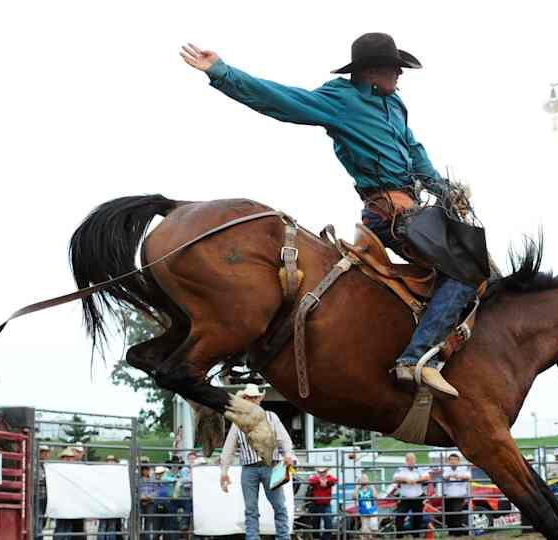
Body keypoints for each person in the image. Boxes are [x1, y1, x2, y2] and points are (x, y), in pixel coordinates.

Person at [180, 33, 481, 400]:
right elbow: (282, 100)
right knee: (467, 271)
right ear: (372, 72)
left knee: (476, 259)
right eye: (394, 69)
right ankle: (416, 357)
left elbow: (414, 150)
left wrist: (444, 187)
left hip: (413, 208)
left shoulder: (395, 105)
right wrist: (222, 72)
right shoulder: (341, 100)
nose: (400, 76)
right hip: (387, 213)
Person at [219, 384, 294, 540]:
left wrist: (288, 455)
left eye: (255, 397)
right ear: (244, 399)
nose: (252, 400)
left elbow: (284, 439)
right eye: (249, 397)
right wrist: (224, 471)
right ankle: (253, 537)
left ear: (260, 399)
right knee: (251, 509)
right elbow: (229, 448)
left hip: (272, 466)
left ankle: (283, 537)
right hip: (249, 468)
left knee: (279, 505)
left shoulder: (271, 417)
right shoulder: (237, 421)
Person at [393, 453, 430, 538]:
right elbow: (395, 478)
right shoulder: (401, 469)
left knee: (417, 517)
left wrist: (416, 480)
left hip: (418, 496)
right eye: (409, 459)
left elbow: (427, 477)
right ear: (406, 461)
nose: (411, 461)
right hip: (405, 497)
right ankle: (399, 536)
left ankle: (416, 535)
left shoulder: (419, 468)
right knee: (399, 516)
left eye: (413, 459)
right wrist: (406, 479)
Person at [53, 447, 85, 538]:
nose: (69, 459)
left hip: (74, 503)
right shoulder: (56, 470)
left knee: (68, 528)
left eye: (71, 457)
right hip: (62, 503)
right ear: (62, 458)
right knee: (61, 527)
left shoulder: (76, 469)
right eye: (66, 457)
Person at [441, 453, 471, 536]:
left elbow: (468, 476)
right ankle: (452, 532)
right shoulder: (446, 469)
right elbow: (444, 477)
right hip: (447, 495)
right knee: (448, 514)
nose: (453, 462)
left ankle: (458, 533)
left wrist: (458, 476)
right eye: (451, 460)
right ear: (449, 461)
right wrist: (451, 476)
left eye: (455, 460)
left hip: (459, 495)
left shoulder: (463, 468)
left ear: (458, 461)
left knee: (456, 513)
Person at [96, 455, 123, 540]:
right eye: (109, 461)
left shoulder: (118, 476)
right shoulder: (101, 475)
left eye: (112, 462)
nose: (110, 463)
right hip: (104, 503)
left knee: (111, 526)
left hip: (113, 504)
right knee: (103, 526)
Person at [308, 466, 338, 540]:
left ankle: (325, 538)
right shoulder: (315, 478)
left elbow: (334, 480)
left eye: (323, 472)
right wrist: (320, 480)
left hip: (326, 505)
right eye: (320, 472)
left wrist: (326, 481)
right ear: (318, 472)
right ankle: (317, 538)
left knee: (328, 524)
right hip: (316, 505)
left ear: (326, 472)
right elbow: (310, 481)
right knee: (315, 524)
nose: (322, 473)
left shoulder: (330, 478)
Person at [355, 473, 379, 540]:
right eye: (362, 478)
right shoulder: (359, 490)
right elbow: (355, 497)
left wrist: (372, 486)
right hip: (363, 512)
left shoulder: (370, 488)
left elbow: (376, 496)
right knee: (365, 531)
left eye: (365, 478)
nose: (364, 480)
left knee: (374, 527)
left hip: (372, 510)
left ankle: (372, 537)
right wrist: (356, 486)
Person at [36, 445, 50, 540]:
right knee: (38, 519)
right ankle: (38, 537)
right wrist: (47, 480)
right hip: (38, 496)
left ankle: (39, 535)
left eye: (46, 452)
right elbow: (35, 479)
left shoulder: (46, 466)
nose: (45, 454)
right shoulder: (36, 465)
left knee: (42, 519)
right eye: (43, 452)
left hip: (45, 497)